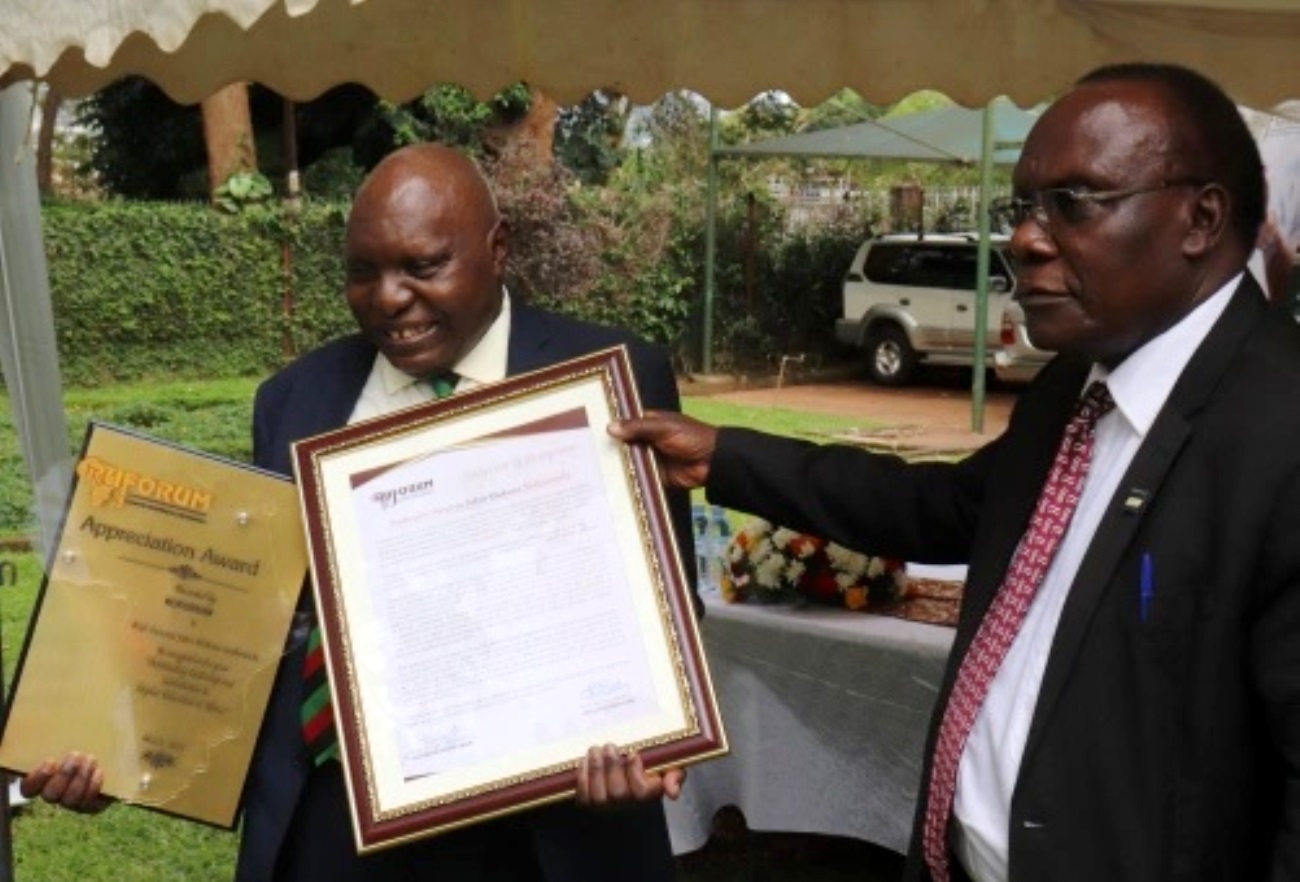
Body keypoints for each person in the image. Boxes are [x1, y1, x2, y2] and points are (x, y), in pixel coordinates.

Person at [608, 63, 1300, 882]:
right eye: (1025, 206)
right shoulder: (1073, 392)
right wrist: (726, 456)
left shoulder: (1277, 434)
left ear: (1201, 218)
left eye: (1073, 203)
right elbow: (937, 509)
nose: (1025, 238)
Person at [23, 143, 692, 881]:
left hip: (538, 828)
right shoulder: (295, 399)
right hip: (332, 820)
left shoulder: (612, 376)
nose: (388, 298)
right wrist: (117, 752)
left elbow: (661, 612)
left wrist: (644, 746)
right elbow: (245, 620)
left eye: (422, 266)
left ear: (498, 250)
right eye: (362, 271)